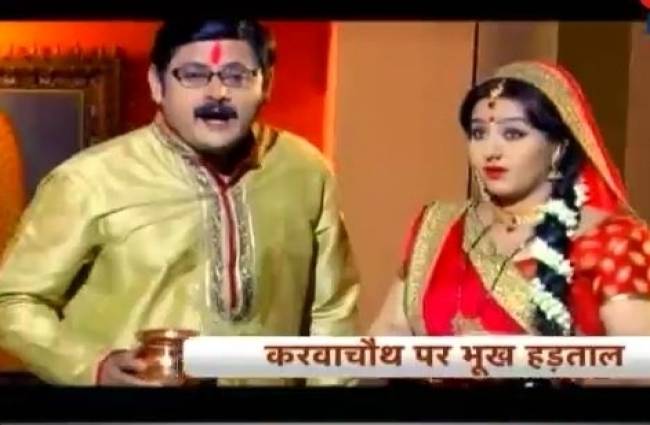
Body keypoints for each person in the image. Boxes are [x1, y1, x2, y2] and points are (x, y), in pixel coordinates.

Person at [0, 20, 359, 387]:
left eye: (236, 76)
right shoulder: (89, 180)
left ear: (266, 83)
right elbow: (12, 301)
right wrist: (94, 367)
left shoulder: (305, 172)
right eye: (193, 75)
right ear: (157, 84)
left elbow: (332, 314)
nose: (217, 93)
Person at [371, 60, 650, 386]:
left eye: (513, 134)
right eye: (479, 133)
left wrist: (520, 360)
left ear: (558, 149)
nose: (491, 150)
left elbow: (639, 370)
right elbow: (388, 333)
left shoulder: (613, 240)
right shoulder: (437, 226)